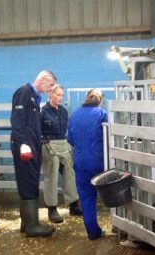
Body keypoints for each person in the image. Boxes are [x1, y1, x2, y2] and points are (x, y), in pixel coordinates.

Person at [10, 70, 56, 237]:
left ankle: (26, 222)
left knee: (29, 180)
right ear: (43, 80)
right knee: (28, 181)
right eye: (50, 85)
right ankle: (32, 225)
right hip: (25, 146)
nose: (51, 89)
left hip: (31, 145)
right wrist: (23, 144)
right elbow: (17, 120)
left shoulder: (35, 98)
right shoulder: (24, 92)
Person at [67, 89, 108, 240]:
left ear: (86, 98)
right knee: (113, 194)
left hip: (80, 163)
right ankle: (120, 226)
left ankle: (93, 232)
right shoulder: (102, 114)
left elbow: (70, 139)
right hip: (99, 162)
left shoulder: (75, 115)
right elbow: (109, 137)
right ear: (100, 100)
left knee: (86, 198)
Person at [40, 84, 82, 224]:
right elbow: (37, 131)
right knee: (51, 177)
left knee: (70, 173)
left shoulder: (64, 111)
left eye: (62, 95)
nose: (60, 97)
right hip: (48, 144)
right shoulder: (43, 112)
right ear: (50, 95)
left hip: (63, 144)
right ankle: (52, 209)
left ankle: (73, 204)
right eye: (57, 95)